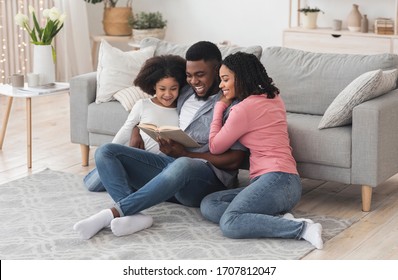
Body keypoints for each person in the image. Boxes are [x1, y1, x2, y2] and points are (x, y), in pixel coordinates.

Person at [73, 41, 247, 240]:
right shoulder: (185, 91)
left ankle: (112, 213)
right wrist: (137, 130)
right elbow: (156, 98)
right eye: (189, 75)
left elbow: (235, 160)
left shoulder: (234, 103)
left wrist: (186, 154)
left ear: (217, 70)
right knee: (106, 151)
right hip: (172, 169)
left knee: (183, 164)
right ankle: (134, 215)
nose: (194, 81)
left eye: (200, 75)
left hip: (206, 180)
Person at [200, 52, 323, 249]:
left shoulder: (243, 109)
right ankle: (276, 218)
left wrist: (219, 108)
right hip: (285, 184)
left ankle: (301, 229)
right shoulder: (273, 96)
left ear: (240, 77)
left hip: (276, 179)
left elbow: (215, 147)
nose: (221, 86)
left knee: (230, 223)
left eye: (225, 79)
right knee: (209, 203)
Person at [83, 54, 187, 192]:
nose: (168, 94)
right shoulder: (143, 105)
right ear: (153, 86)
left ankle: (121, 179)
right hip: (136, 158)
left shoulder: (182, 109)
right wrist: (110, 152)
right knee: (92, 185)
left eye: (173, 89)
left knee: (110, 177)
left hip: (160, 164)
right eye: (162, 89)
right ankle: (113, 171)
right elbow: (126, 129)